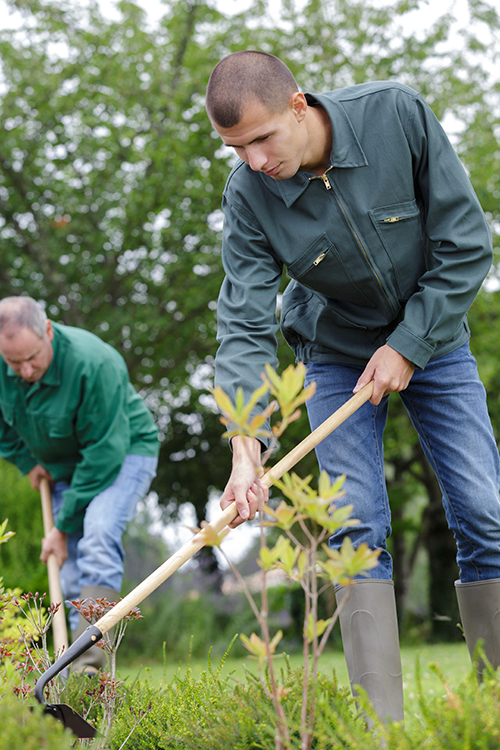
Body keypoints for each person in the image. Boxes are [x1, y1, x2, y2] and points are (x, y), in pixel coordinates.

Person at [205, 50, 500, 723]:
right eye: (234, 147)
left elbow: (464, 243)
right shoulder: (247, 195)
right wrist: (246, 442)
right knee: (356, 527)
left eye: (261, 139)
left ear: (298, 105)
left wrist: (409, 345)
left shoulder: (396, 114)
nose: (253, 161)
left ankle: (491, 715)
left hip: (435, 337)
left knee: (485, 512)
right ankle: (382, 729)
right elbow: (245, 320)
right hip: (336, 355)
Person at [0, 296, 159, 673]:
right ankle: (67, 674)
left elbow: (104, 454)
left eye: (32, 358)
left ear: (49, 332)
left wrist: (62, 526)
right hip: (61, 466)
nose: (24, 370)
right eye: (13, 363)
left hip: (122, 451)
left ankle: (88, 668)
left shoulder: (94, 363)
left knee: (99, 534)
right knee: (67, 569)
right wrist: (27, 462)